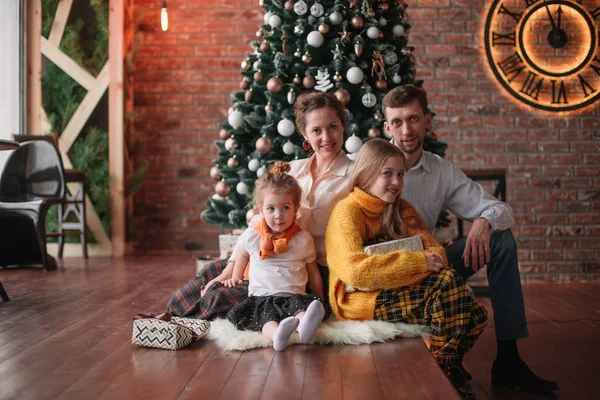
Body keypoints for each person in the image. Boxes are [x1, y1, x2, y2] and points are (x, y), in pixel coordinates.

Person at [381, 84, 558, 393]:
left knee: (501, 240)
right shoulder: (368, 161)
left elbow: (501, 208)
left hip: (430, 267)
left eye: (413, 119)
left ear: (428, 121)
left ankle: (508, 359)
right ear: (386, 126)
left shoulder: (441, 171)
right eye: (397, 122)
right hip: (382, 272)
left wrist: (483, 221)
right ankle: (446, 356)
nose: (406, 130)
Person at [167, 92, 353, 320]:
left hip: (301, 271)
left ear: (343, 126)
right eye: (316, 130)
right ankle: (166, 320)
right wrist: (228, 269)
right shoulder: (292, 170)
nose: (326, 137)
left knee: (218, 296)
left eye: (332, 126)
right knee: (205, 278)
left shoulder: (354, 175)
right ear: (305, 133)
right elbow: (258, 222)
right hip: (265, 256)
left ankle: (184, 322)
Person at [325, 138, 487, 398]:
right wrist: (416, 262)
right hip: (360, 300)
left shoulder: (401, 209)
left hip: (401, 289)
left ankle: (447, 364)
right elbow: (356, 272)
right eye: (387, 174)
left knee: (476, 315)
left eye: (400, 174)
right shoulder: (347, 213)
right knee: (447, 285)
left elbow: (437, 252)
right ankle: (445, 375)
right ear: (366, 173)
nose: (396, 182)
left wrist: (406, 267)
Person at [224, 161, 325, 351]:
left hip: (293, 294)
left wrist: (319, 297)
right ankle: (277, 335)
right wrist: (236, 276)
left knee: (301, 310)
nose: (278, 215)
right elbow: (243, 254)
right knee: (265, 319)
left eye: (285, 208)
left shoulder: (303, 239)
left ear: (296, 209)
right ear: (261, 210)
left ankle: (304, 326)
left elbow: (313, 273)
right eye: (271, 209)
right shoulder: (253, 235)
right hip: (262, 297)